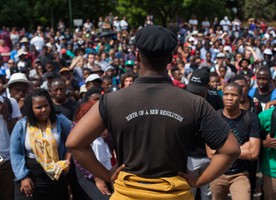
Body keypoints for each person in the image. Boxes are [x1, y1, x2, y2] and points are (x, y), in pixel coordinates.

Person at [66, 25, 240, 199]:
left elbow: (75, 142)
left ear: (137, 55)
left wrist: (106, 175)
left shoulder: (111, 101)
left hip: (127, 194)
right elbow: (231, 149)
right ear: (171, 57)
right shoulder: (194, 103)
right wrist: (200, 180)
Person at [10, 88, 72, 199]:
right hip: (31, 177)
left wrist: (68, 157)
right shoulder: (22, 125)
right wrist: (23, 177)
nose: (44, 110)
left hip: (56, 177)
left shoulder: (60, 121)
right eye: (39, 107)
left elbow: (74, 140)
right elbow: (15, 153)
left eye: (46, 105)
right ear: (31, 109)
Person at [207, 82, 261, 200]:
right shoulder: (213, 118)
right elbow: (211, 153)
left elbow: (254, 153)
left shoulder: (251, 118)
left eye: (234, 95)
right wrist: (243, 149)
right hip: (217, 173)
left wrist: (222, 150)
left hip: (240, 175)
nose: (229, 98)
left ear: (241, 97)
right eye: (226, 94)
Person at [186, 68, 223, 200]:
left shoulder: (217, 99)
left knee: (207, 193)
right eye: (191, 89)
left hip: (211, 155)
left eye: (198, 90)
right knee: (189, 192)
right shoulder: (184, 96)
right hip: (190, 155)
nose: (193, 93)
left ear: (207, 87)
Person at [0, 95, 22, 200]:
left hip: (6, 162)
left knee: (7, 195)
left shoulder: (9, 103)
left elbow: (17, 133)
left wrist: (7, 116)